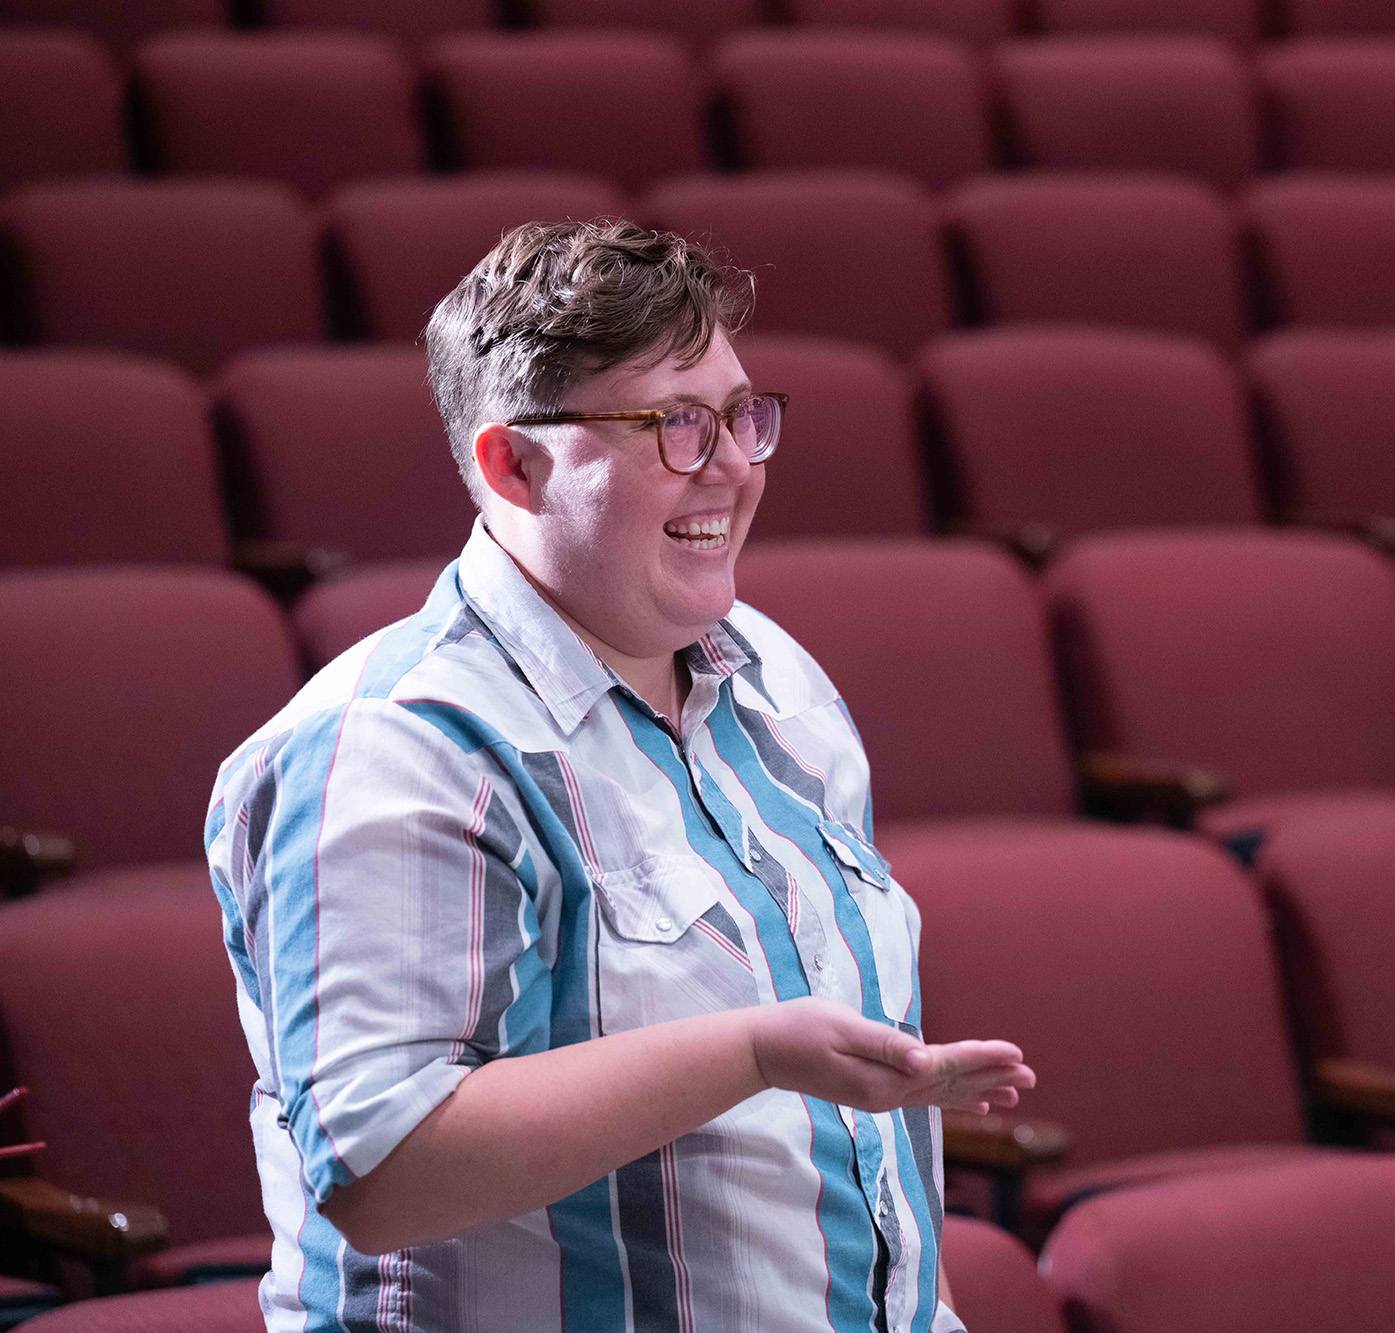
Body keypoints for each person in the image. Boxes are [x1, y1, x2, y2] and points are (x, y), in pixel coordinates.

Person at [206, 219, 1034, 1333]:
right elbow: (383, 1173)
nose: (736, 465)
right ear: (514, 462)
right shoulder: (396, 744)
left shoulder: (777, 677)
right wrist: (748, 1050)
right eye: (676, 426)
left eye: (743, 416)